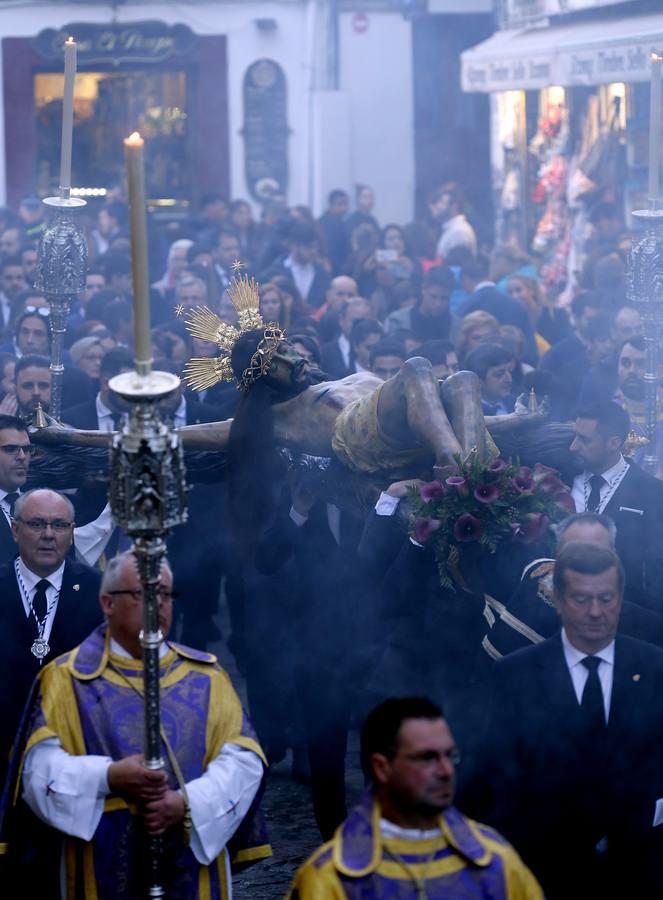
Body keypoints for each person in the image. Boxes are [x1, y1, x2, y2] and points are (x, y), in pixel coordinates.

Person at [6, 550, 270, 898]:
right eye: (141, 593)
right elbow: (39, 769)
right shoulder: (66, 679)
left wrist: (187, 803)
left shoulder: (206, 677)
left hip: (190, 865)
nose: (157, 604)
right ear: (107, 603)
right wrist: (107, 777)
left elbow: (243, 760)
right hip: (99, 863)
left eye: (165, 594)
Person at [478, 544, 663, 897]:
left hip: (638, 869)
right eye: (581, 599)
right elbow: (496, 777)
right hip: (544, 869)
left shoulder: (655, 668)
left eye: (606, 599)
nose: (595, 612)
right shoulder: (514, 675)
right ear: (557, 600)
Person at [289, 697, 542, 898]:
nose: (446, 771)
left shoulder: (496, 860)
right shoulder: (329, 878)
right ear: (382, 768)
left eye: (450, 756)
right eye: (427, 758)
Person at [0, 488, 102, 786]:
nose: (48, 534)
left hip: (75, 750)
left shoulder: (98, 590)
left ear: (71, 532)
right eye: (36, 524)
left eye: (59, 525)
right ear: (15, 530)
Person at [482, 512, 663, 659]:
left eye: (595, 550)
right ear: (557, 551)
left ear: (613, 554)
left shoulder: (638, 618)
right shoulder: (533, 570)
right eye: (574, 549)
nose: (585, 558)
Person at [569, 400, 663, 609]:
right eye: (575, 436)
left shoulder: (653, 494)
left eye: (584, 440)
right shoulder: (560, 477)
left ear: (613, 443)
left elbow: (657, 572)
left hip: (622, 613)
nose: (573, 447)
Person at [464, 342, 516, 416]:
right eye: (499, 374)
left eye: (510, 372)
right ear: (478, 380)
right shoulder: (468, 412)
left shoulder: (519, 404)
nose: (509, 379)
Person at [432, 182, 477, 259]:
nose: (438, 206)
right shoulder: (452, 230)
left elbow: (458, 265)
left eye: (442, 202)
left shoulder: (459, 232)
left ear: (454, 207)